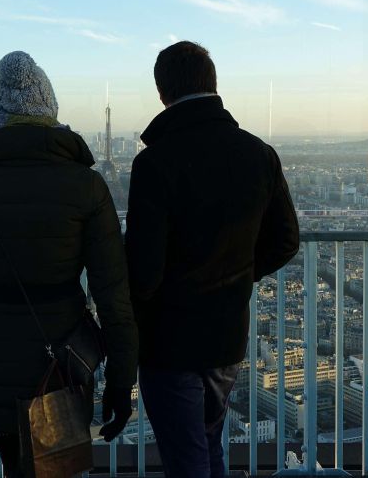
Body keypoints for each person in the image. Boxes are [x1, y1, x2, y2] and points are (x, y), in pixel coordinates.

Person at [0, 51, 138, 477]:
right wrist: (122, 378)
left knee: (14, 464)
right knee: (55, 468)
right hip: (59, 359)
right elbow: (113, 295)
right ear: (51, 111)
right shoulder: (87, 187)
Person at [125, 40, 300, 478]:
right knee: (208, 445)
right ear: (213, 83)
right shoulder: (259, 153)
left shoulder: (154, 164)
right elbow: (285, 240)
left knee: (187, 459)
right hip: (225, 334)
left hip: (169, 340)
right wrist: (237, 274)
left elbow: (143, 272)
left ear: (163, 93)